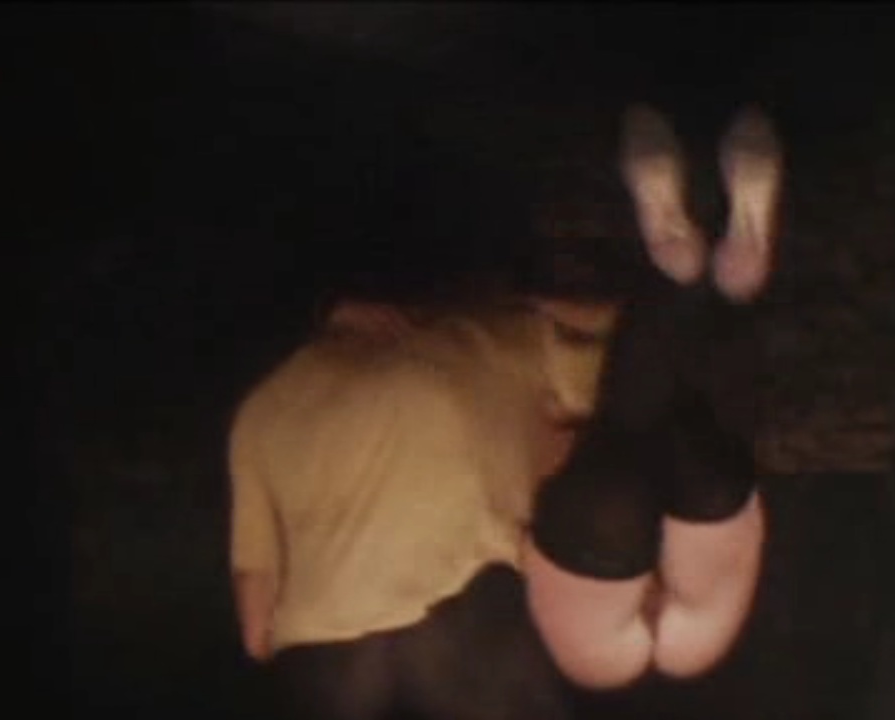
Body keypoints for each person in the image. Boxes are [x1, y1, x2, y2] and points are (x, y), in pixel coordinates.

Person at [228, 281, 625, 719]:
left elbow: (255, 608)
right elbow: (624, 371)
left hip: (323, 659)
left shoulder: (264, 406)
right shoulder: (494, 339)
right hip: (461, 620)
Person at [522, 103, 784, 688]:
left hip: (711, 642)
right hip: (594, 655)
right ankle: (676, 263)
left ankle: (734, 280)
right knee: (626, 426)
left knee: (702, 420)